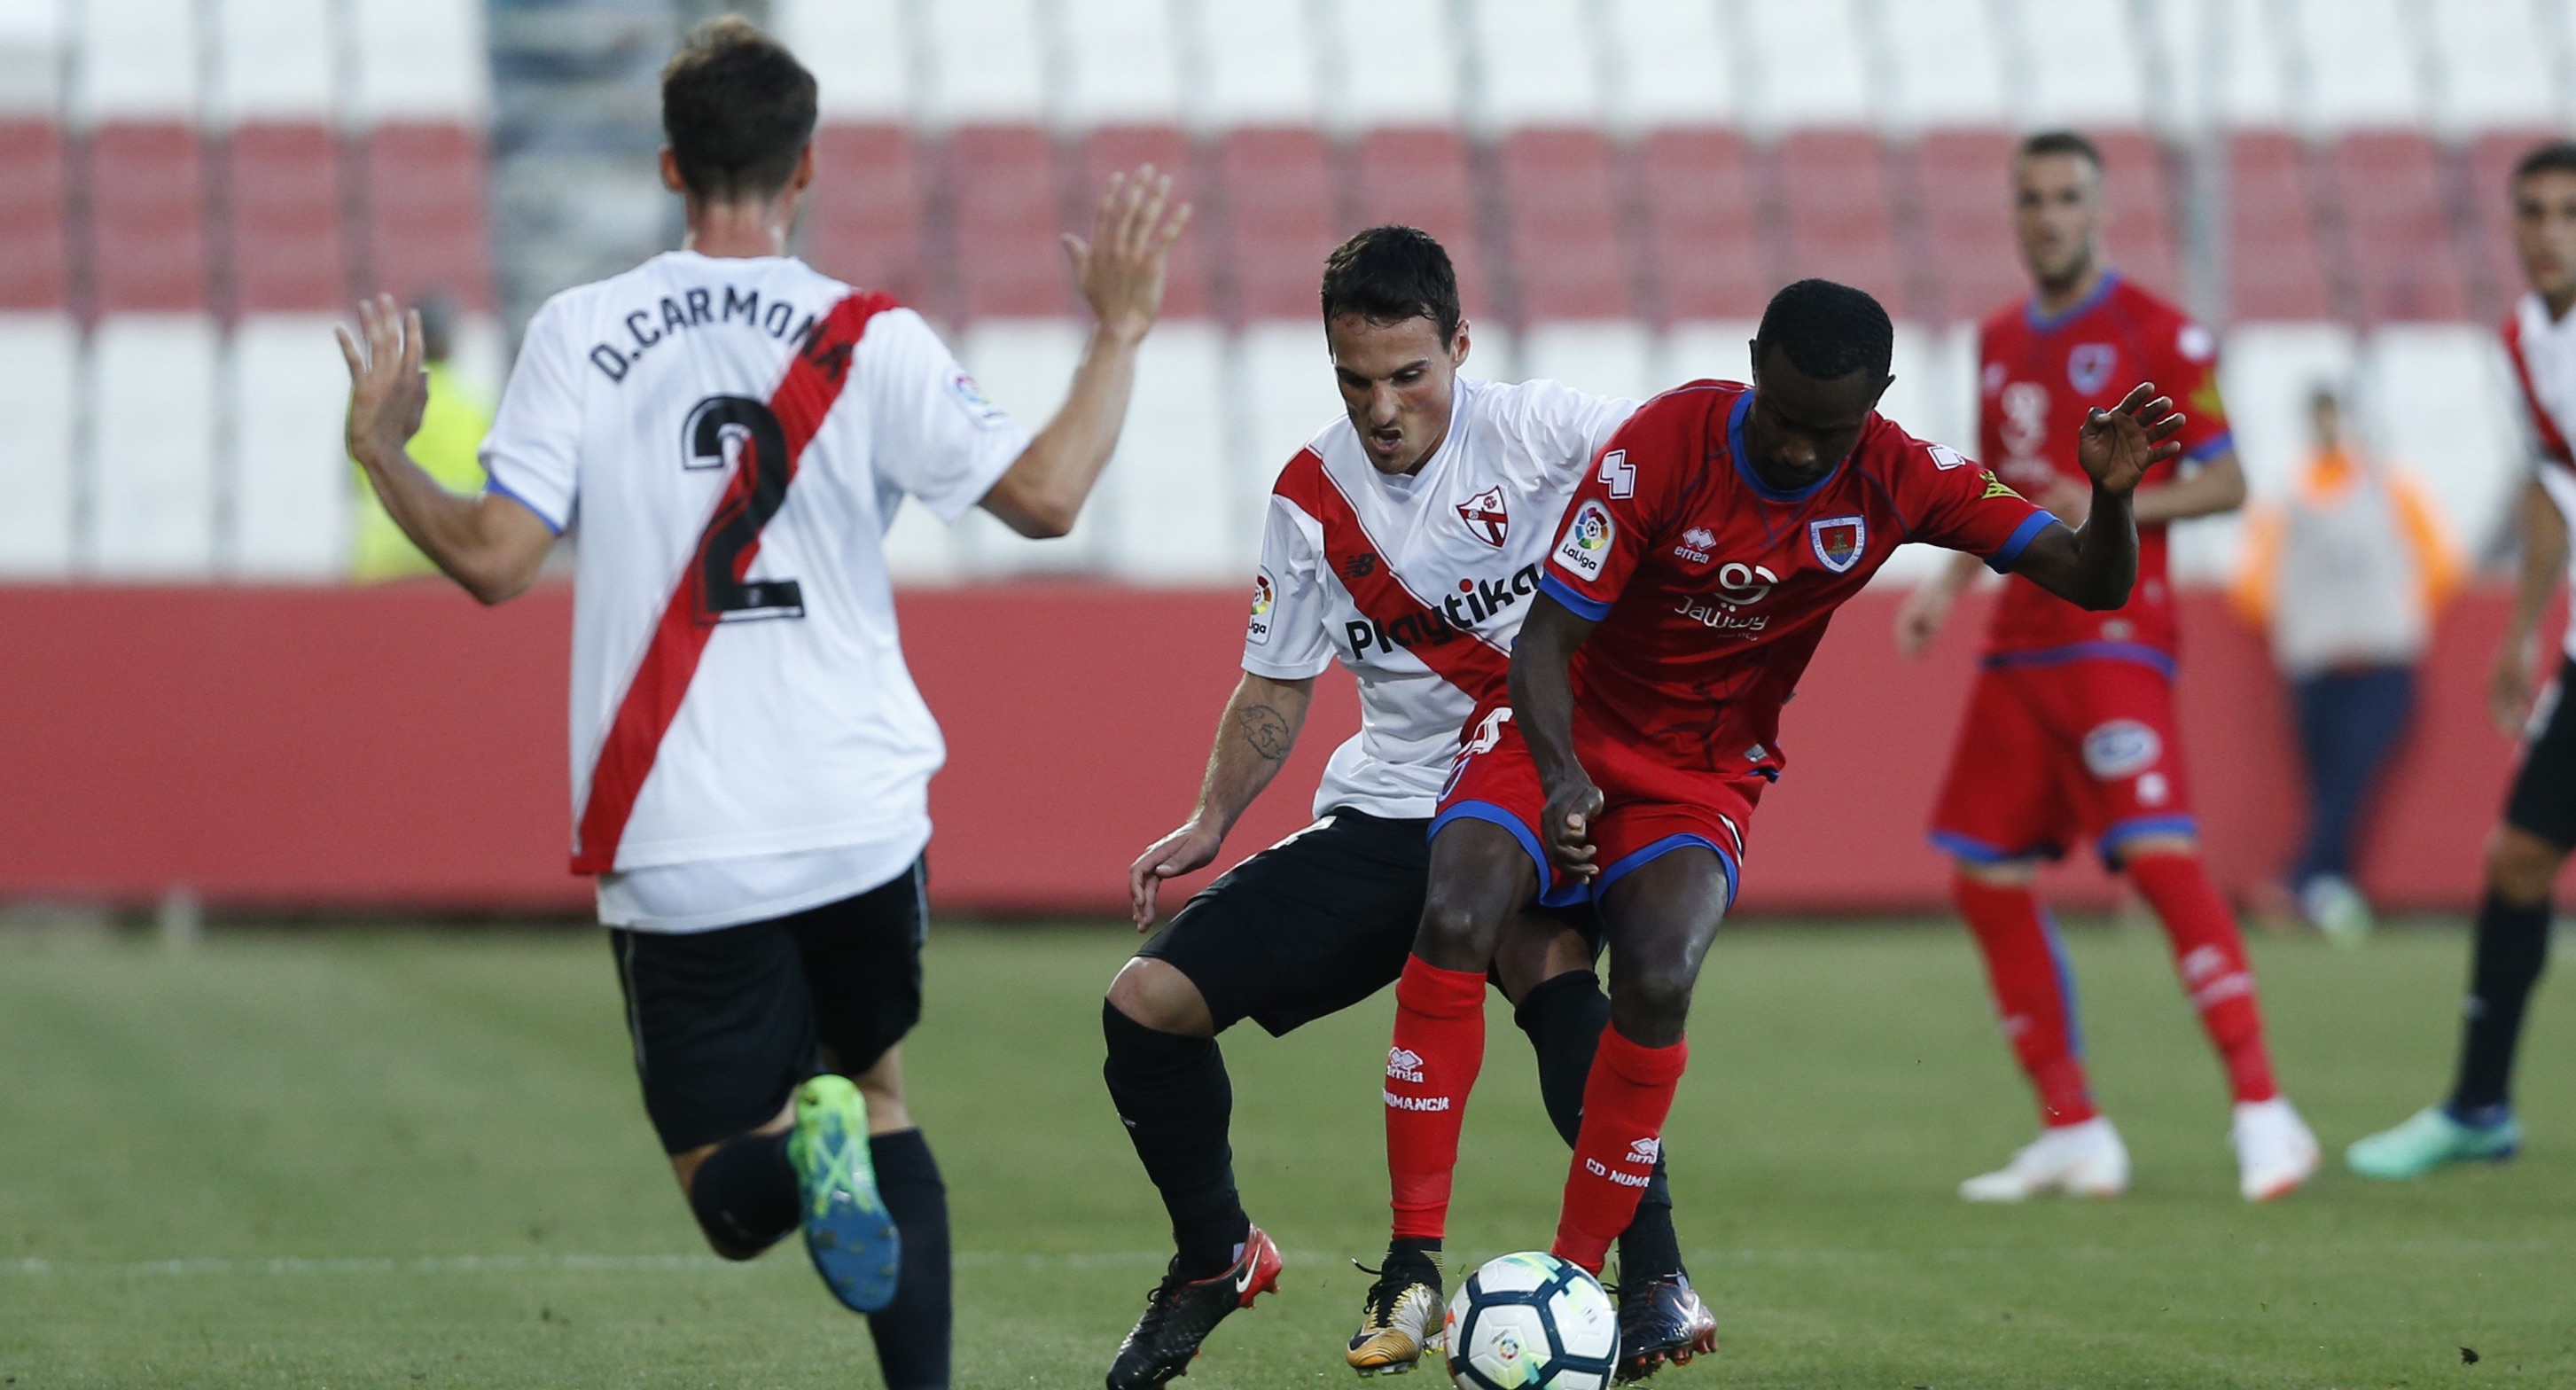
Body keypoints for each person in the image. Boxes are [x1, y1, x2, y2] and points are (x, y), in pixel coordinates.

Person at [333, 20, 1189, 1388]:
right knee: (882, 1096)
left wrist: (384, 452)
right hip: (856, 810)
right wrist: (1121, 331)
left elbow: (496, 564)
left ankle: (803, 1155)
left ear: (671, 165)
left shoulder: (581, 332)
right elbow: (1044, 498)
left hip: (676, 822)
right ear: (803, 172)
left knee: (730, 1190)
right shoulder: (875, 335)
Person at [1367, 277, 2181, 1352]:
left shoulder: (1901, 474)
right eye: (1783, 419)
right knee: (1458, 915)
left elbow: (2088, 579)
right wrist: (1562, 775)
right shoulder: (1665, 441)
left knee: (1657, 978)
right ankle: (1408, 1262)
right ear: (1753, 365)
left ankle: (1580, 1279)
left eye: (1826, 430)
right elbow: (1544, 645)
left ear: (1877, 400)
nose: (1799, 450)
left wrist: (2110, 497)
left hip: (1701, 771)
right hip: (1557, 726)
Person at [1100, 226, 1713, 1389]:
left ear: (1459, 347)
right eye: (1355, 380)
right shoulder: (1312, 496)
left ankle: (1652, 1278)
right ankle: (1214, 1257)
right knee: (1146, 1007)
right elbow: (1276, 681)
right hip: (1393, 814)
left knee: (1547, 970)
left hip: (1533, 793)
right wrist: (1209, 818)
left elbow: (1680, 466)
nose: (1382, 407)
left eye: (1408, 375)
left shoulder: (1542, 432)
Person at [1891, 129, 2318, 1204]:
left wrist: (2115, 501)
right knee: (1983, 875)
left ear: (2098, 209)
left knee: (2160, 854)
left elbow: (2225, 485)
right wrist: (1946, 586)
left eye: (2064, 197)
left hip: (2114, 631)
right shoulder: (1994, 339)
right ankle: (2072, 1127)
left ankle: (2264, 1108)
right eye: (2029, 198)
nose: (2045, 215)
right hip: (2017, 642)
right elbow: (1996, 482)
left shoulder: (2158, 333)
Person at [2348, 140, 2576, 1181]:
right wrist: (2522, 625)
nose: (2545, 232)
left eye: (2566, 212)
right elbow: (2547, 488)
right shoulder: (2524, 339)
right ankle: (2477, 1105)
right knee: (2516, 859)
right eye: (2529, 211)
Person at [2229, 387, 2462, 943]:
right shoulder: (2287, 495)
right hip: (2314, 667)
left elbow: (2441, 562)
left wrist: (2391, 619)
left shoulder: (2389, 485)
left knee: (2347, 780)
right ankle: (2328, 892)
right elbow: (2252, 584)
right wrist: (2302, 624)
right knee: (2327, 785)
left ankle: (2301, 881)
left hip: (2380, 664)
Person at [352, 296, 494, 581]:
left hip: (380, 559)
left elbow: (357, 474)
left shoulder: (379, 403)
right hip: (447, 555)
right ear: (449, 342)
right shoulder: (472, 406)